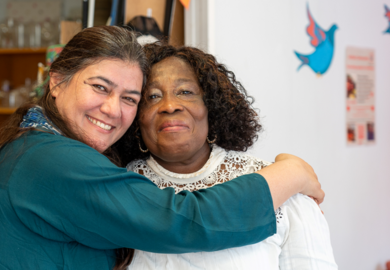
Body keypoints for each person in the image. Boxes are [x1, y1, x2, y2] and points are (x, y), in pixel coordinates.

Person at [0, 26, 323, 270]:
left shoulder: (38, 147)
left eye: (129, 97)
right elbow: (183, 221)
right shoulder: (53, 161)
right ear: (57, 82)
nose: (113, 109)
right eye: (100, 87)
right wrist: (293, 172)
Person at [115, 43, 337, 269]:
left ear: (211, 107)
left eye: (185, 92)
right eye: (152, 96)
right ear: (135, 116)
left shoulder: (286, 191)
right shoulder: (114, 189)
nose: (170, 106)